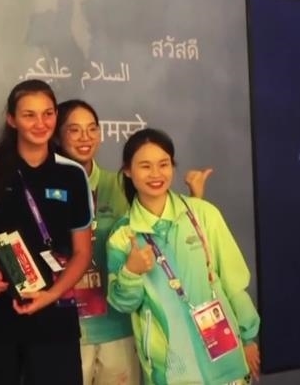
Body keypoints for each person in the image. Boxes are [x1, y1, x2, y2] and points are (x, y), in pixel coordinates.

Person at [54, 100, 214, 385]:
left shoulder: (120, 185)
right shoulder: (45, 187)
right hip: (65, 326)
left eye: (92, 129)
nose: (85, 137)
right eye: (74, 130)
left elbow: (164, 230)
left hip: (118, 325)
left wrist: (195, 200)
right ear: (57, 135)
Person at [0, 80, 94, 385]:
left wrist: (51, 295)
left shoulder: (72, 174)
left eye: (48, 114)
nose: (40, 123)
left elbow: (82, 252)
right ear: (12, 119)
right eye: (29, 115)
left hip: (54, 317)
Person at [106, 128, 260, 385]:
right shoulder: (123, 234)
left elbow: (233, 282)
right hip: (171, 369)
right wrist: (131, 272)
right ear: (128, 171)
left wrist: (247, 337)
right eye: (145, 166)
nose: (156, 174)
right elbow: (123, 304)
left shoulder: (203, 214)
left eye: (163, 164)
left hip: (227, 358)